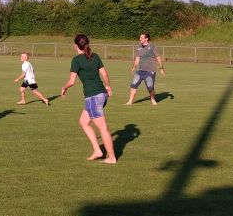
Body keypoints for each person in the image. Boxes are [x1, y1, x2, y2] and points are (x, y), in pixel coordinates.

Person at [60, 33, 117, 163]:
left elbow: (72, 81)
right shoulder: (95, 56)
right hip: (102, 94)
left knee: (103, 128)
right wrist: (108, 86)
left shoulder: (76, 60)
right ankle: (97, 150)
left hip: (93, 97)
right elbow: (104, 74)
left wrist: (64, 87)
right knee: (83, 122)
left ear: (76, 45)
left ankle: (112, 157)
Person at [126, 32, 166, 105]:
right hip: (140, 71)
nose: (140, 39)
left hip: (150, 71)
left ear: (146, 39)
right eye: (140, 37)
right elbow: (138, 57)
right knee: (133, 84)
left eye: (141, 38)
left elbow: (158, 57)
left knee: (150, 87)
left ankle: (153, 99)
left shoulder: (152, 47)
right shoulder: (139, 46)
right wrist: (134, 67)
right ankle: (130, 101)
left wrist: (161, 68)